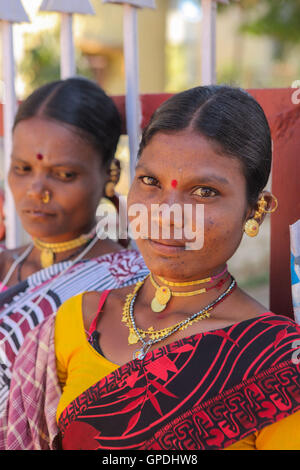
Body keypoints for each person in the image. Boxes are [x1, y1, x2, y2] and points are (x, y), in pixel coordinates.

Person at [2, 85, 300, 450]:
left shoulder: (277, 360)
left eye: (204, 191)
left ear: (255, 209)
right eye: (150, 182)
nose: (165, 214)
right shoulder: (78, 319)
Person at [0, 77, 148, 416]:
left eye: (64, 174)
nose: (36, 190)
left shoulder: (127, 284)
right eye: (22, 169)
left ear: (111, 175)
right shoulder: (5, 264)